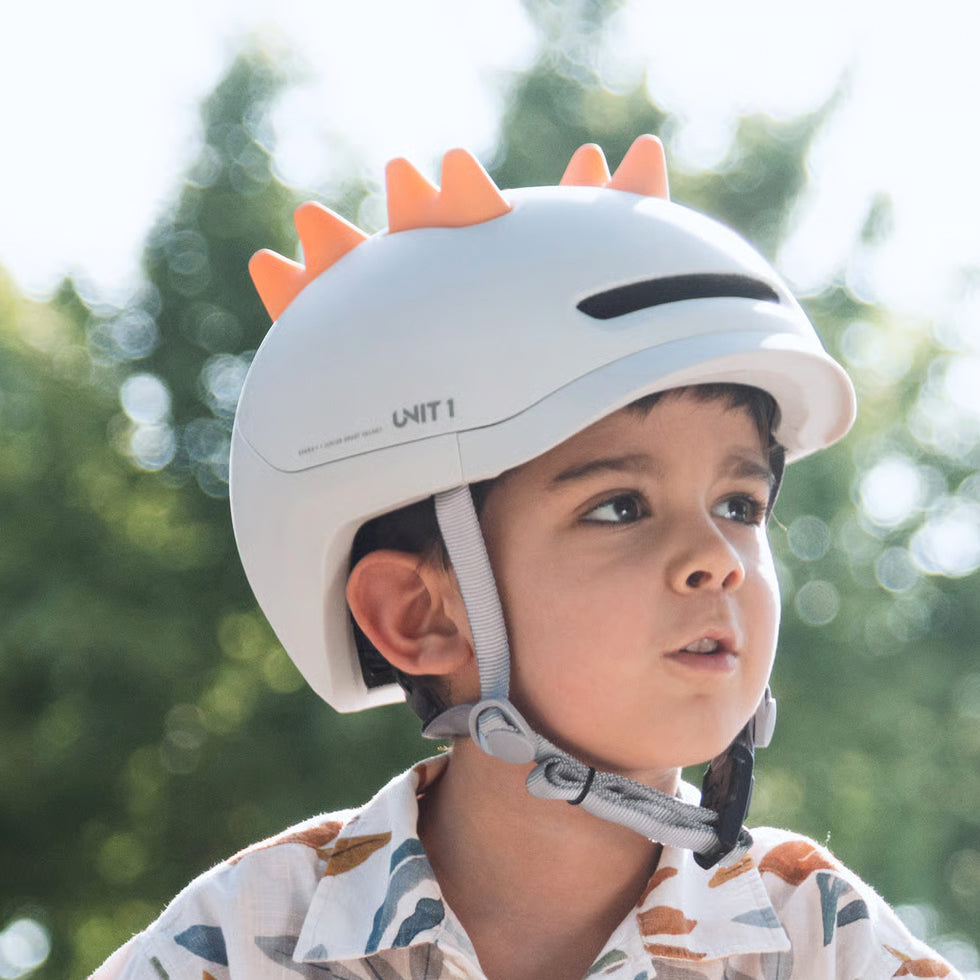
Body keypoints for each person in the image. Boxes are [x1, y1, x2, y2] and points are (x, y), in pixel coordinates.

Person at [92, 136, 960, 979]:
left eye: (740, 505)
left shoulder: (826, 945)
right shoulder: (239, 943)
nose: (717, 558)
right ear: (418, 614)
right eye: (620, 507)